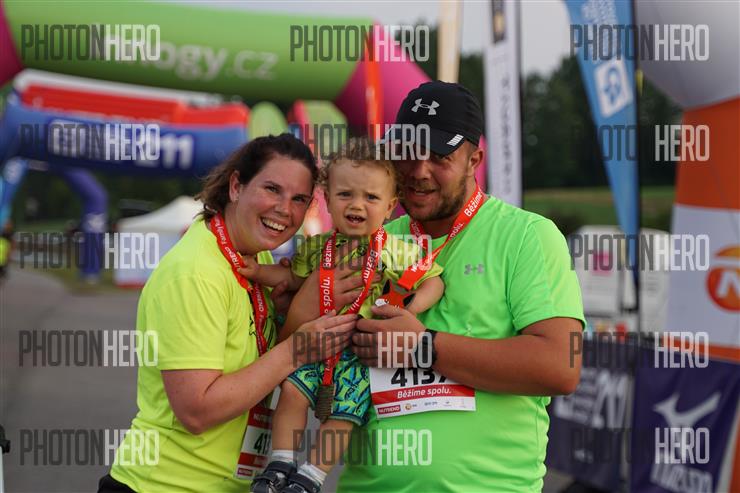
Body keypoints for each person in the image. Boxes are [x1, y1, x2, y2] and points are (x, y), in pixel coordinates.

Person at [283, 81, 586, 492]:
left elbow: (561, 366)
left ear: (474, 159)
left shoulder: (526, 235)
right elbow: (293, 348)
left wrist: (422, 347)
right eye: (407, 152)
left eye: (439, 156)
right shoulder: (371, 238)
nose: (419, 170)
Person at [97, 134, 359, 493]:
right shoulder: (196, 273)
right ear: (236, 186)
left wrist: (299, 313)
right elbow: (196, 410)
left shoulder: (254, 258)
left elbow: (258, 373)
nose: (285, 209)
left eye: (299, 199)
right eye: (272, 189)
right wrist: (298, 348)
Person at [243, 138, 444, 493]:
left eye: (371, 197)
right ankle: (280, 463)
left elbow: (434, 280)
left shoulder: (396, 251)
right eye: (345, 194)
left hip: (358, 353)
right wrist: (258, 271)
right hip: (315, 342)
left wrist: (409, 308)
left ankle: (311, 477)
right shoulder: (317, 247)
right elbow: (292, 278)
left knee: (343, 417)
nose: (356, 204)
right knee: (291, 391)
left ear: (390, 206)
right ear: (327, 198)